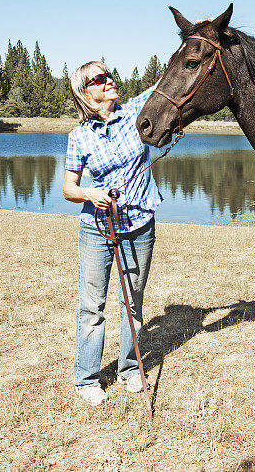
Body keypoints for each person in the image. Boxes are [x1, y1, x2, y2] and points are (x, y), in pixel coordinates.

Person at [62, 61, 160, 406]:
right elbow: (68, 188)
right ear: (85, 92)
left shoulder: (135, 111)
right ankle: (86, 379)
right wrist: (91, 193)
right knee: (92, 307)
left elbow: (171, 81)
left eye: (109, 74)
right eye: (99, 79)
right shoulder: (78, 137)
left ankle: (130, 370)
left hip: (139, 226)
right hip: (97, 230)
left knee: (132, 303)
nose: (109, 81)